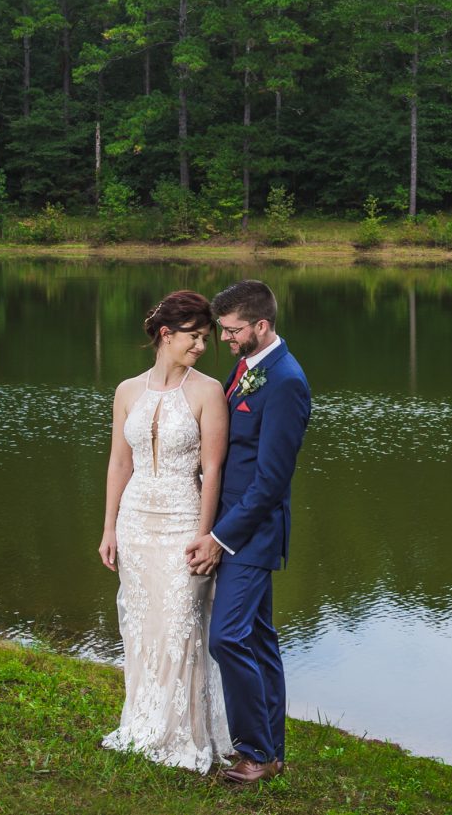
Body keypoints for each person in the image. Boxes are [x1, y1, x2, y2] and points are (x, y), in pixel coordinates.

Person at [98, 290, 234, 772]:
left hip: (183, 520)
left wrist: (206, 537)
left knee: (181, 626)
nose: (201, 346)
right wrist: (108, 527)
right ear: (165, 335)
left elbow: (213, 471)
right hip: (135, 523)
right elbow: (119, 461)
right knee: (142, 627)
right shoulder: (127, 390)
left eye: (206, 339)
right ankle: (142, 723)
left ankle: (183, 736)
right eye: (193, 338)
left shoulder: (207, 391)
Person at [185, 279, 311, 786]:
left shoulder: (285, 381)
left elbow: (271, 481)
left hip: (250, 535)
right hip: (233, 526)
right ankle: (271, 750)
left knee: (228, 638)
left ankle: (255, 752)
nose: (225, 340)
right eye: (222, 330)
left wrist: (220, 537)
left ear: (261, 325)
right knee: (258, 640)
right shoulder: (249, 366)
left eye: (233, 331)